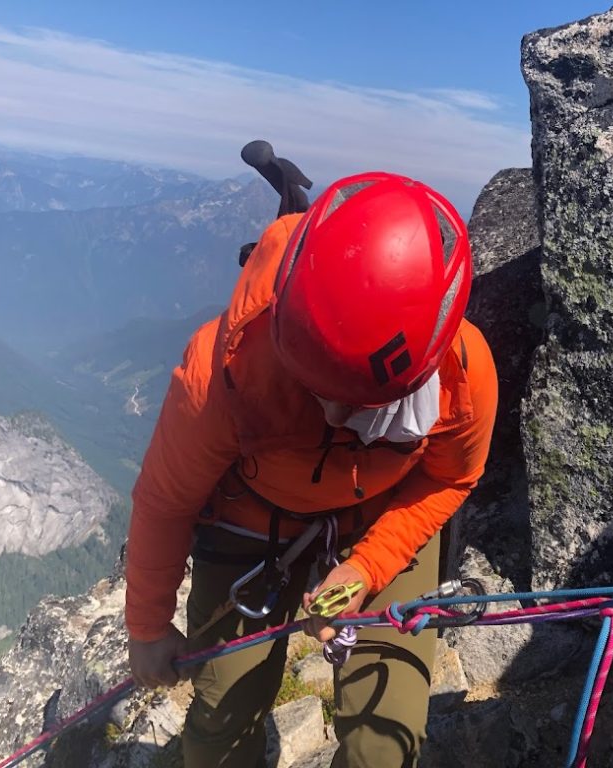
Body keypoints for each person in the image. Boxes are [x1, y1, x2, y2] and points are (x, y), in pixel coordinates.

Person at [124, 170, 498, 768]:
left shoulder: (461, 376)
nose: (332, 412)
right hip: (252, 523)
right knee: (222, 721)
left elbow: (450, 477)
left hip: (382, 516)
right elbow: (166, 500)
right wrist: (147, 626)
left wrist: (368, 564)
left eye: (357, 401)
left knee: (384, 741)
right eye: (313, 384)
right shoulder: (224, 367)